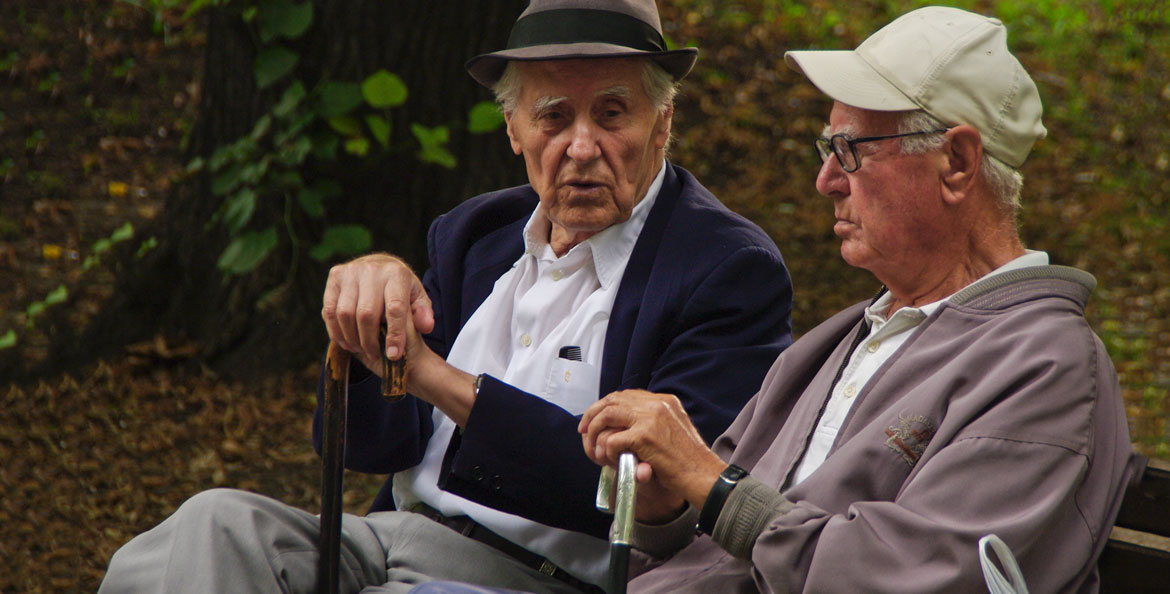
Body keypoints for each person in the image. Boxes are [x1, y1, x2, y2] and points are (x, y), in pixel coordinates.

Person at [413, 6, 1135, 594]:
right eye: (827, 150)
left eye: (851, 151)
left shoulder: (1045, 365)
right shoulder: (853, 334)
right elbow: (695, 527)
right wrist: (667, 496)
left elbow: (905, 579)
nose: (826, 180)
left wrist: (708, 481)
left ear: (956, 162)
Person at [96, 1, 793, 593]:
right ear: (514, 129)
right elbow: (367, 443)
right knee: (202, 531)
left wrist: (433, 376)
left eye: (613, 114)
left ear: (662, 124)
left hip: (540, 576)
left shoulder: (725, 268)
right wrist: (368, 317)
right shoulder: (475, 233)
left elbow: (661, 493)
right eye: (554, 117)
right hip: (382, 539)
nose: (582, 146)